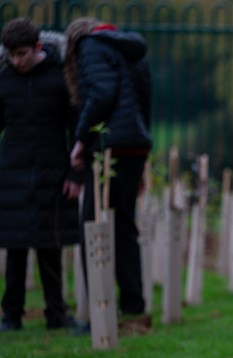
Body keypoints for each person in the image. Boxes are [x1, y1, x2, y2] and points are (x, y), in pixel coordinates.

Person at [64, 17, 152, 333]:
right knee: (124, 225)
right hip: (135, 145)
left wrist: (80, 139)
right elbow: (144, 101)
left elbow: (100, 93)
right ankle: (133, 304)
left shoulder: (89, 47)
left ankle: (99, 311)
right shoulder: (130, 49)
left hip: (107, 145)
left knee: (93, 225)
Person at [0, 18, 81, 332]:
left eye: (22, 53)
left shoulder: (60, 78)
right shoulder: (4, 80)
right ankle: (11, 315)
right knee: (15, 246)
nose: (16, 61)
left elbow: (76, 128)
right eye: (11, 55)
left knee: (51, 245)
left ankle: (56, 315)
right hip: (13, 171)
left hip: (53, 169)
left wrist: (76, 176)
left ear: (37, 47)